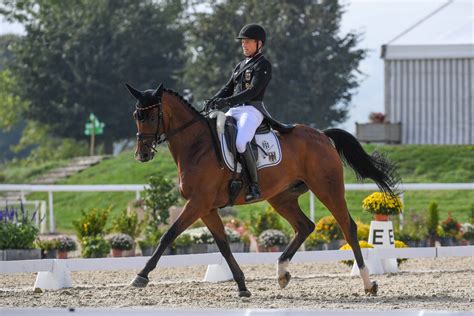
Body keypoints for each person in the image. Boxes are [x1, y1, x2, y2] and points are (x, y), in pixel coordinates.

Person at [206, 23, 272, 202]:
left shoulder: (263, 65)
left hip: (251, 110)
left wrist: (226, 102)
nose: (244, 44)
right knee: (214, 135)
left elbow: (253, 91)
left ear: (259, 43)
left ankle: (254, 185)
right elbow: (228, 88)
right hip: (234, 110)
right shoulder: (240, 65)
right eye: (243, 41)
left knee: (241, 142)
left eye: (248, 41)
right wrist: (213, 100)